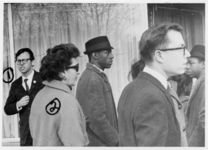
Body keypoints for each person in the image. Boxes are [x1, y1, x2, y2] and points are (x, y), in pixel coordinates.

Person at [118, 23, 190, 146]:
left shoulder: (131, 88)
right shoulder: (152, 96)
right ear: (159, 55)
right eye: (181, 48)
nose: (188, 54)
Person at [29, 43, 89, 146]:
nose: (78, 73)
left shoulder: (39, 96)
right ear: (62, 72)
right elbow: (75, 144)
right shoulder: (67, 102)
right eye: (76, 67)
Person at [76, 36, 118, 146]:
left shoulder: (96, 76)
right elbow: (96, 119)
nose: (112, 56)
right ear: (94, 55)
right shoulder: (92, 79)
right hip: (100, 144)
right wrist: (116, 140)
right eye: (106, 52)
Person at [4, 48, 44, 146]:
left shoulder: (43, 79)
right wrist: (18, 104)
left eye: (25, 60)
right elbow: (7, 109)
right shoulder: (15, 85)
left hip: (43, 131)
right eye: (19, 61)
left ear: (32, 62)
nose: (21, 63)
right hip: (26, 135)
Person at [185, 45, 205, 146]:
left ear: (204, 64)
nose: (187, 66)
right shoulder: (199, 82)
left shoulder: (205, 84)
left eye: (191, 63)